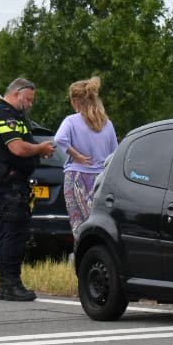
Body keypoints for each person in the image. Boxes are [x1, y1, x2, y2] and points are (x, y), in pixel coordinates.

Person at [0, 77, 56, 301]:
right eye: (28, 99)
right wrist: (39, 148)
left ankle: (7, 285)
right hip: (10, 183)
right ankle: (11, 284)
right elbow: (17, 148)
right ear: (16, 94)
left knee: (8, 233)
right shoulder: (5, 115)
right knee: (14, 234)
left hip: (13, 182)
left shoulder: (11, 115)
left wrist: (37, 150)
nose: (30, 104)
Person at [54, 77, 120, 241]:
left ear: (76, 100)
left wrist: (76, 155)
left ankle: (83, 257)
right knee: (99, 221)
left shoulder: (71, 121)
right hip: (101, 180)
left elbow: (59, 139)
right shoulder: (107, 124)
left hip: (76, 177)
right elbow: (115, 153)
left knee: (79, 224)